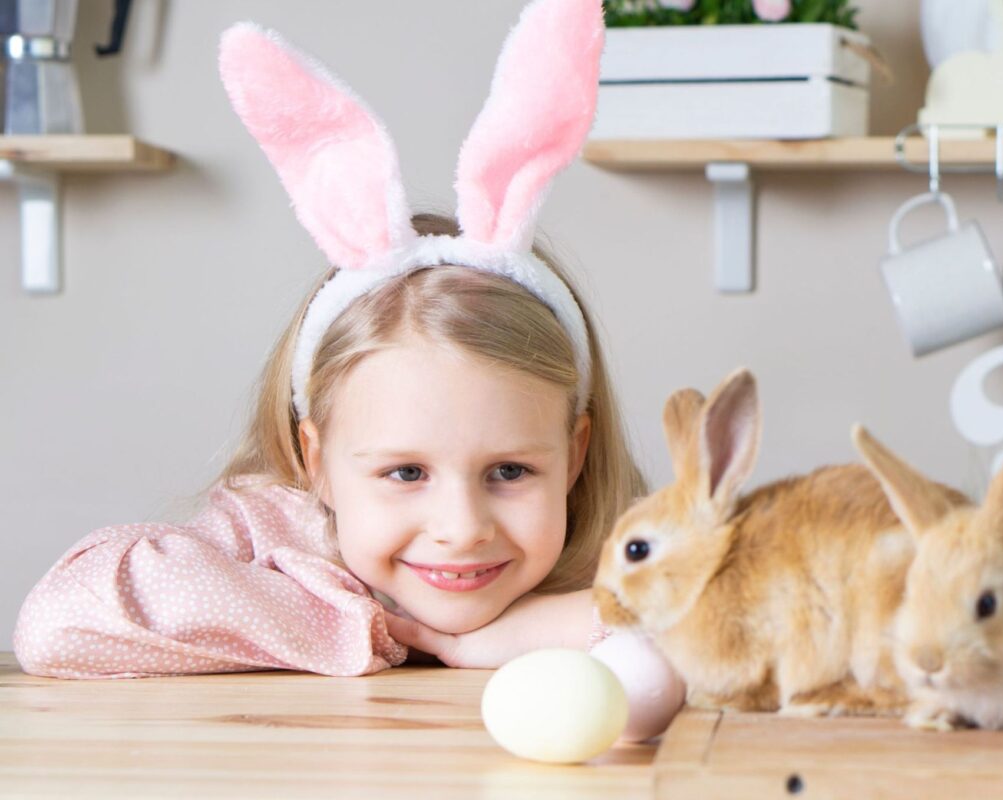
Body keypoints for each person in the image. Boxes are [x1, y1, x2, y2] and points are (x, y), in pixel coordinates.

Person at [14, 0, 651, 681]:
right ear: (315, 459)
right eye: (406, 473)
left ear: (574, 454)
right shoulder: (273, 532)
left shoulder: (620, 548)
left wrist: (554, 623)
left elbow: (725, 620)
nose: (462, 527)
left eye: (510, 472)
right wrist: (377, 628)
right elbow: (60, 622)